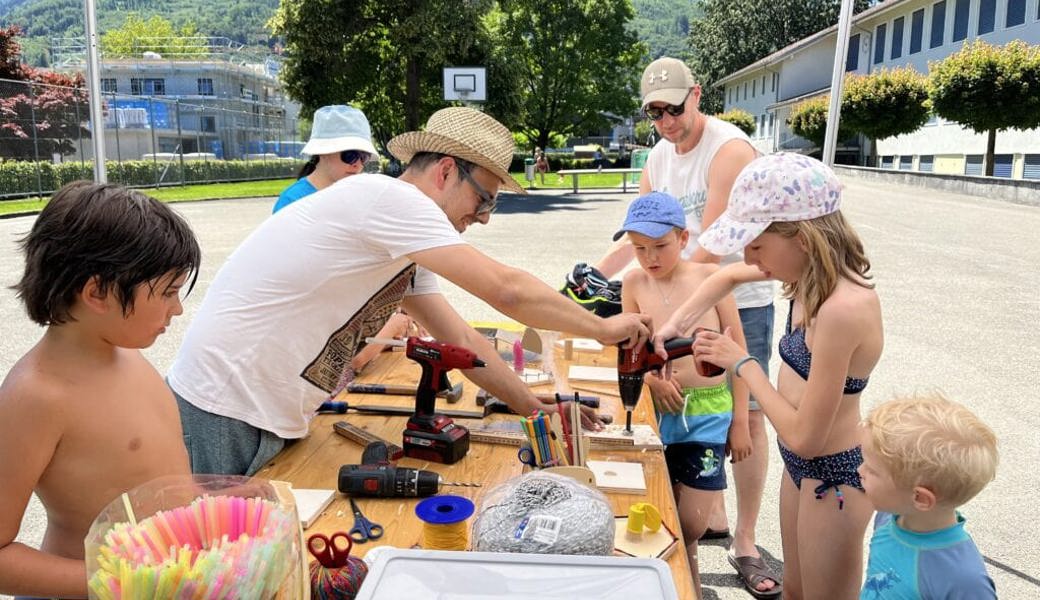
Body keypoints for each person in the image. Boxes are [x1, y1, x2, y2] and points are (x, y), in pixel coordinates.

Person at [167, 107, 654, 476]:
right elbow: (505, 290)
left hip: (254, 409)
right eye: (483, 199)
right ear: (445, 170)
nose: (483, 217)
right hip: (223, 406)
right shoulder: (390, 199)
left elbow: (458, 336)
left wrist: (530, 404)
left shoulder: (397, 237)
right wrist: (603, 327)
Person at [582, 56, 778, 596]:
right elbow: (636, 236)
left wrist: (667, 334)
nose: (666, 121)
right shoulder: (658, 156)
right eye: (654, 113)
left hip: (730, 291)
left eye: (673, 108)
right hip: (670, 285)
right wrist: (588, 280)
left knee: (749, 415)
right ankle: (702, 514)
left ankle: (744, 540)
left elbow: (710, 248)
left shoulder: (729, 149)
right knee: (684, 426)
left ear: (696, 95)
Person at [662, 152, 883, 598]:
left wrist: (740, 362)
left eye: (757, 245)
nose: (749, 257)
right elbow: (719, 280)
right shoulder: (809, 279)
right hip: (799, 470)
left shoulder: (842, 309)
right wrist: (671, 330)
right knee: (794, 592)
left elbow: (806, 436)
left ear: (801, 237)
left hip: (833, 476)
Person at [0, 181, 201, 598]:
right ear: (97, 293)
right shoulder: (36, 396)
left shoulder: (128, 356)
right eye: (166, 292)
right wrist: (124, 583)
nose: (177, 309)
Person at [617, 191, 751, 598]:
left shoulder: (711, 281)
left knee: (692, 519)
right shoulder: (633, 282)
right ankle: (680, 583)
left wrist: (741, 421)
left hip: (709, 413)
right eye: (639, 248)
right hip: (657, 414)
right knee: (659, 504)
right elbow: (631, 351)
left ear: (683, 237)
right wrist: (653, 382)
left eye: (660, 246)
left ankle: (685, 563)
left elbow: (740, 353)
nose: (650, 257)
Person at [858, 393, 997, 599]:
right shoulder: (889, 517)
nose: (859, 470)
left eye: (872, 470)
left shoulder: (964, 580)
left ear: (920, 499)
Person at [273, 104, 378, 213]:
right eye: (350, 155)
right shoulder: (292, 202)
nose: (358, 164)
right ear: (323, 152)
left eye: (364, 156)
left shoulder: (359, 196)